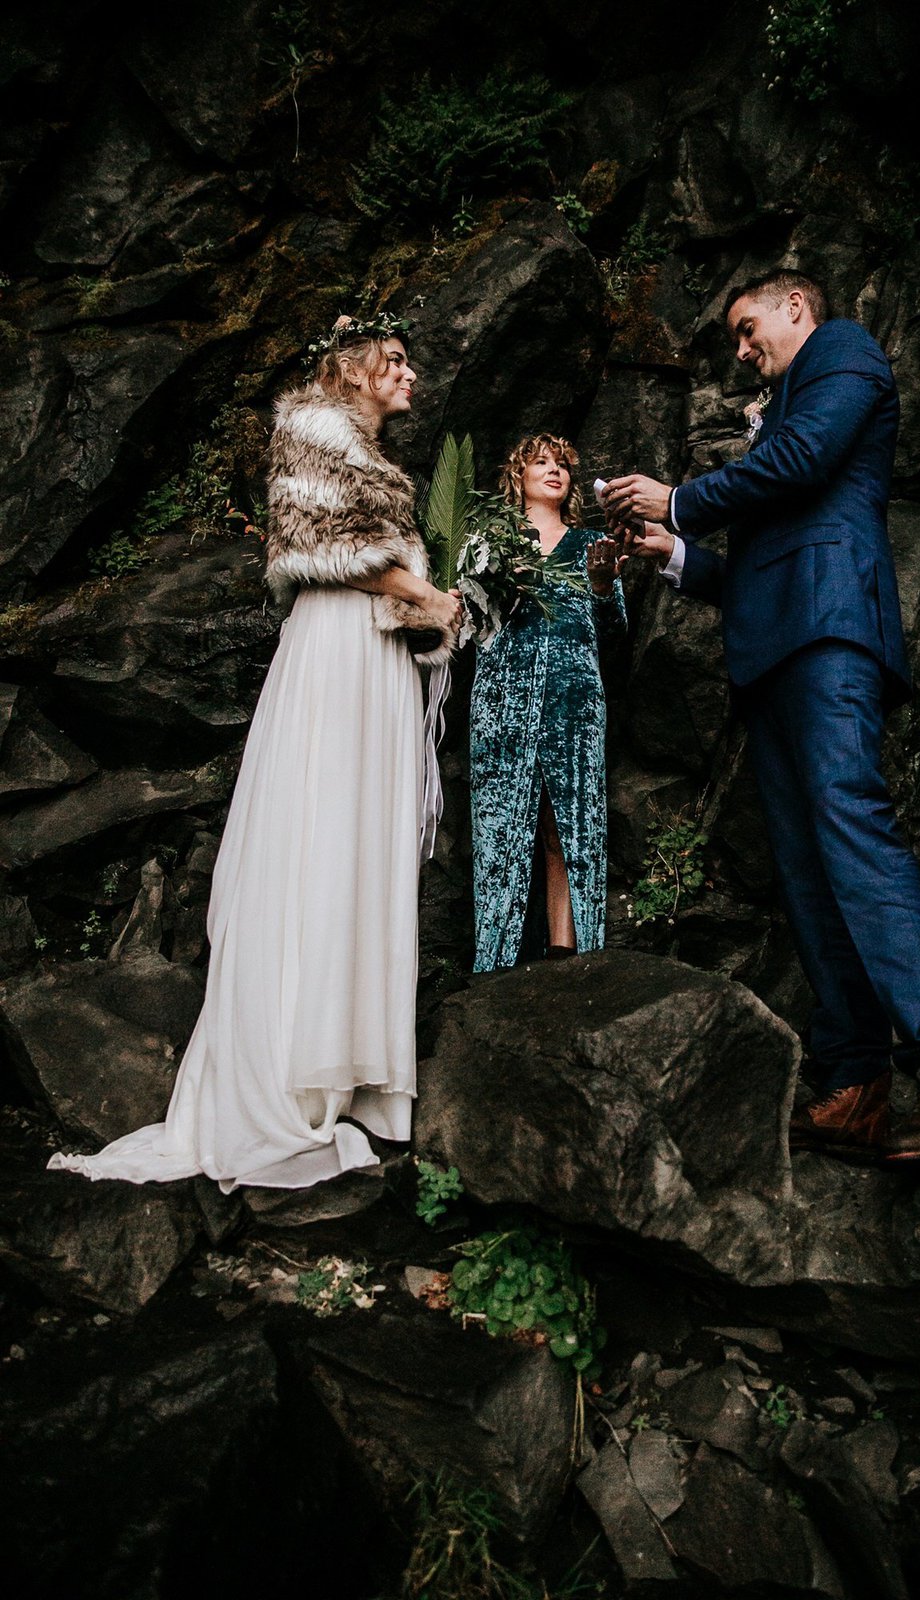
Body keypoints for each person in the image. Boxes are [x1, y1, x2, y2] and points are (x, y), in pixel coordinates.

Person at [48, 314, 460, 1191]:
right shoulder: (311, 429)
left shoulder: (371, 452)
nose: (410, 373)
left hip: (375, 650)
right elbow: (320, 546)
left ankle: (345, 1072)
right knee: (320, 836)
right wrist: (427, 590)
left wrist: (424, 604)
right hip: (338, 647)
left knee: (356, 843)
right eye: (396, 360)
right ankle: (294, 1068)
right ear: (352, 367)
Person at [606, 267, 920, 1164]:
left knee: (852, 829)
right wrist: (676, 552)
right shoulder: (782, 411)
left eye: (750, 330)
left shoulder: (843, 351)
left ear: (796, 307)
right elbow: (755, 560)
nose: (745, 353)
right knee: (807, 870)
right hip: (775, 649)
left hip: (829, 636)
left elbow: (805, 464)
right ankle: (855, 1084)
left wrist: (680, 499)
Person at [469, 434, 625, 971]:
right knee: (503, 829)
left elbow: (613, 632)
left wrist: (604, 587)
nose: (554, 470)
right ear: (519, 476)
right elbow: (467, 624)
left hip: (574, 700)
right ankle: (495, 960)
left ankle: (568, 954)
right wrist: (496, 585)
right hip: (501, 700)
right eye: (541, 462)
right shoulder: (488, 541)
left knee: (569, 825)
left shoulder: (591, 544)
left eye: (562, 464)